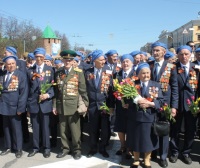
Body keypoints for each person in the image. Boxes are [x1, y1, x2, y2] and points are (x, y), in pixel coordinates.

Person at [127, 62, 164, 168]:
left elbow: (161, 101)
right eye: (143, 73)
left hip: (149, 116)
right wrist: (136, 101)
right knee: (136, 139)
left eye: (148, 73)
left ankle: (147, 160)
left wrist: (150, 103)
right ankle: (136, 159)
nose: (146, 75)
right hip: (135, 116)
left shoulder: (155, 85)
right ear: (138, 74)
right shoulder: (132, 84)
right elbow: (127, 100)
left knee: (148, 139)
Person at [53, 50, 89, 160]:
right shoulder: (58, 72)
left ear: (73, 61)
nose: (67, 61)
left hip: (73, 106)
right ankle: (65, 149)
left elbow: (83, 90)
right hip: (61, 105)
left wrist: (85, 104)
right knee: (63, 130)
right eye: (65, 59)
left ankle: (77, 150)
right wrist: (54, 106)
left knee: (75, 130)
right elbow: (56, 91)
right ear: (62, 60)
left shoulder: (78, 72)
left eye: (70, 60)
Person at [150, 42, 179, 168]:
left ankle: (162, 156)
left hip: (165, 104)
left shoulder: (171, 66)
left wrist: (174, 107)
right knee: (151, 128)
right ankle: (152, 151)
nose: (155, 53)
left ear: (164, 52)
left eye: (157, 50)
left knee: (163, 130)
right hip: (150, 101)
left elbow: (175, 87)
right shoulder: (149, 66)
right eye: (153, 50)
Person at [169, 45, 199, 165]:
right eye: (181, 54)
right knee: (175, 130)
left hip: (193, 105)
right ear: (177, 55)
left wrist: (198, 105)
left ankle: (186, 152)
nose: (184, 56)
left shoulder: (196, 68)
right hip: (177, 104)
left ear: (191, 54)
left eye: (186, 54)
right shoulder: (173, 68)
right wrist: (173, 106)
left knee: (190, 130)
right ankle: (175, 151)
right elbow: (172, 88)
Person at [85, 50, 114, 158]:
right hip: (92, 105)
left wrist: (111, 106)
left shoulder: (109, 72)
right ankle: (93, 148)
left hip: (104, 105)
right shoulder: (88, 72)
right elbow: (85, 89)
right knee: (93, 129)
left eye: (104, 59)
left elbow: (111, 91)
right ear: (94, 60)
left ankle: (102, 148)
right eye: (101, 59)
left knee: (105, 129)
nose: (104, 61)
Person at [27, 47, 54, 158]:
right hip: (33, 103)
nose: (38, 59)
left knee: (45, 127)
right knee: (35, 127)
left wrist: (47, 95)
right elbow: (27, 88)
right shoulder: (29, 71)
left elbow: (53, 87)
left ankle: (47, 148)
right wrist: (27, 105)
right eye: (37, 57)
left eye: (41, 57)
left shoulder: (50, 70)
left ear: (44, 57)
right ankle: (35, 147)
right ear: (34, 57)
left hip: (45, 103)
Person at [0, 55, 28, 158]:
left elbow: (23, 93)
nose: (11, 66)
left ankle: (18, 148)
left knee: (16, 129)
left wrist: (21, 108)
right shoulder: (2, 75)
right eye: (9, 64)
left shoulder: (20, 75)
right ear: (5, 66)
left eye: (13, 63)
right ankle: (8, 146)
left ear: (15, 64)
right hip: (3, 106)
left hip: (14, 107)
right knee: (6, 128)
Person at [112, 54, 135, 159]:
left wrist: (130, 103)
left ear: (132, 63)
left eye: (127, 61)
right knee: (120, 127)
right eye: (123, 62)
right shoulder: (117, 74)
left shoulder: (135, 74)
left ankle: (130, 148)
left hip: (132, 106)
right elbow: (113, 90)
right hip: (120, 105)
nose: (125, 64)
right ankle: (122, 146)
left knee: (130, 127)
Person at [105, 49, 120, 138]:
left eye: (116, 56)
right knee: (107, 110)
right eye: (114, 56)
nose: (115, 58)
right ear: (109, 57)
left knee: (114, 110)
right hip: (107, 91)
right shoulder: (104, 65)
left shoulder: (118, 66)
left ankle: (112, 128)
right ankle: (106, 128)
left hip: (116, 92)